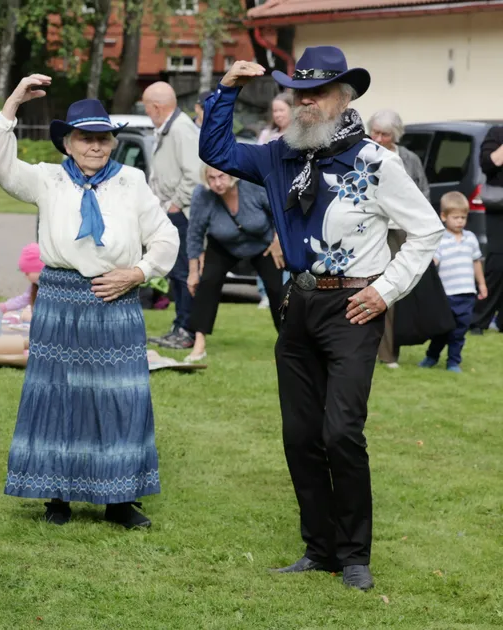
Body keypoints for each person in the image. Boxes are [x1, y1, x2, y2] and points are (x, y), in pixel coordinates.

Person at [201, 47, 444, 591]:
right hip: (298, 306)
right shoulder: (277, 155)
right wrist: (227, 89)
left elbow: (427, 230)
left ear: (345, 97)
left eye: (318, 92)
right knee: (300, 435)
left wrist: (386, 292)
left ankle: (355, 556)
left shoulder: (377, 163)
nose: (306, 102)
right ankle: (320, 550)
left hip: (354, 309)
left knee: (341, 433)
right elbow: (215, 148)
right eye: (298, 92)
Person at [0, 75, 179, 528]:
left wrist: (138, 273)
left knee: (121, 399)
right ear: (68, 143)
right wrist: (13, 101)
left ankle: (119, 500)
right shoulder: (46, 179)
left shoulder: (131, 181)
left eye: (102, 138)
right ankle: (57, 496)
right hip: (59, 297)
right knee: (57, 395)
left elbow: (165, 237)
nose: (95, 146)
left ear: (112, 142)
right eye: (85, 138)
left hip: (116, 297)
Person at [185, 165, 284, 363]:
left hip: (262, 244)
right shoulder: (201, 195)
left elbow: (280, 212)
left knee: (276, 289)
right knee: (208, 283)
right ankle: (199, 343)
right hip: (222, 245)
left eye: (221, 176)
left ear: (231, 175)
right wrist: (193, 272)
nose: (217, 183)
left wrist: (278, 241)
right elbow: (194, 234)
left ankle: (289, 342)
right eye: (211, 178)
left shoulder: (252, 185)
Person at [368, 109, 432, 368]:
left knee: (396, 290)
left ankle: (389, 352)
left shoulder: (408, 158)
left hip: (402, 230)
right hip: (375, 229)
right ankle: (380, 352)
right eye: (375, 132)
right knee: (374, 286)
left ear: (396, 136)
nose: (380, 138)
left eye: (385, 134)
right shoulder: (364, 154)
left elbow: (422, 191)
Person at [143, 81, 202, 350]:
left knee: (182, 273)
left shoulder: (180, 129)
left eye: (147, 108)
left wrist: (176, 204)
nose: (147, 113)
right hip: (169, 212)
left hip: (182, 214)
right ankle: (179, 325)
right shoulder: (168, 129)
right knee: (175, 272)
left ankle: (187, 330)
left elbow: (194, 173)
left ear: (156, 107)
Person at [420, 192, 488, 372]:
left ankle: (453, 361)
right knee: (442, 330)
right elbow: (434, 262)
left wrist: (481, 284)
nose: (460, 221)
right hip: (446, 296)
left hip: (466, 295)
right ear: (443, 216)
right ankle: (431, 356)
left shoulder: (471, 238)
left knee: (459, 332)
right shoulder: (440, 240)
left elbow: (476, 262)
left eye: (463, 217)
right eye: (455, 217)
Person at [255, 92, 292, 309]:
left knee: (286, 242)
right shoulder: (267, 135)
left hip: (289, 198)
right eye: (275, 110)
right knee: (266, 243)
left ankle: (288, 289)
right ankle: (266, 291)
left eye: (281, 110)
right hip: (267, 195)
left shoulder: (300, 136)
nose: (277, 114)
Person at [471, 124, 503, 334]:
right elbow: (489, 164)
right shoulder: (496, 133)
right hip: (499, 208)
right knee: (497, 264)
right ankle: (478, 320)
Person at [0, 242, 43, 314]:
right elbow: (24, 299)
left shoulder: (53, 286)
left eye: (27, 272)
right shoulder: (35, 286)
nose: (26, 276)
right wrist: (4, 306)